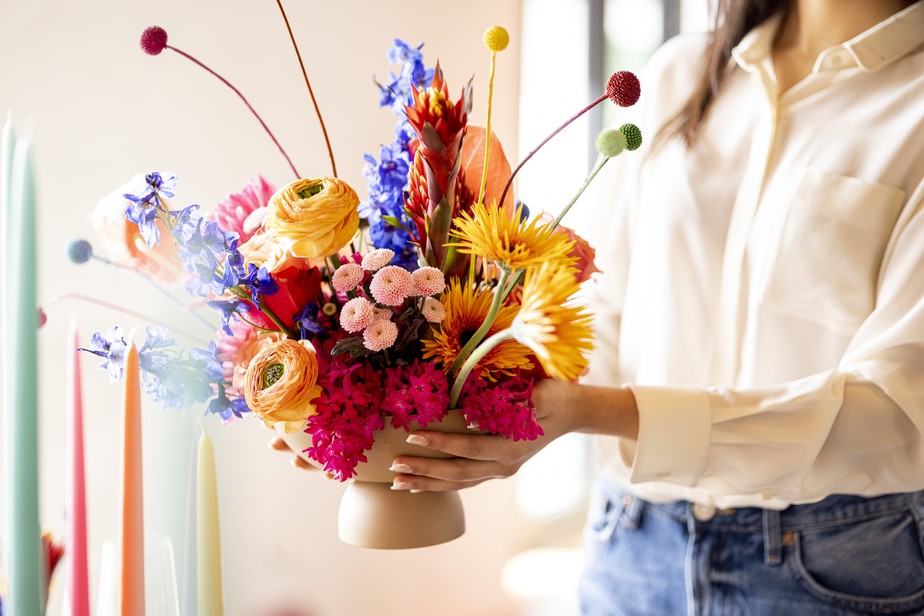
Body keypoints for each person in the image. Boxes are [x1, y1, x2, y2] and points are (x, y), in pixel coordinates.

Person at [382, 0, 924, 614]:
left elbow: (898, 410)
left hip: (836, 566)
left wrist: (594, 411)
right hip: (632, 544)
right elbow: (601, 299)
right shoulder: (681, 72)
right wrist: (368, 404)